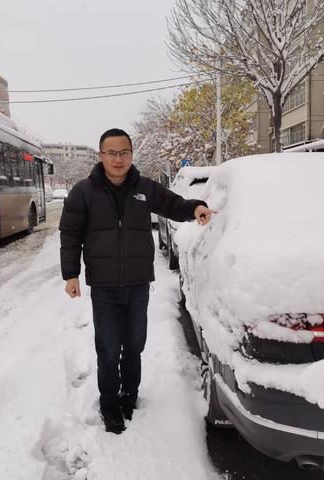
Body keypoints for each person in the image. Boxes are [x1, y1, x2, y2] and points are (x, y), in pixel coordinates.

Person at [59, 128, 214, 434]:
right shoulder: (83, 192)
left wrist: (195, 207)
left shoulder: (144, 188)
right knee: (108, 346)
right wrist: (71, 274)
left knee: (133, 344)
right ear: (101, 156)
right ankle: (109, 403)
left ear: (131, 154)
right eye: (112, 153)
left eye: (124, 152)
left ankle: (129, 396)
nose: (118, 159)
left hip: (138, 283)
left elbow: (173, 204)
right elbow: (70, 234)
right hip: (103, 286)